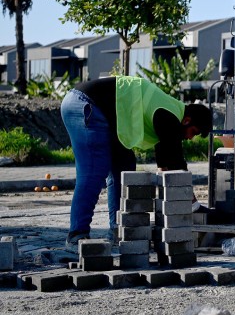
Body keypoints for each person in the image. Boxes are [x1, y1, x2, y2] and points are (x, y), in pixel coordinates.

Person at [61, 76, 212, 251]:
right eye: (193, 132)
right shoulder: (170, 117)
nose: (190, 138)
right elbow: (176, 164)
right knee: (94, 170)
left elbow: (165, 166)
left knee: (124, 167)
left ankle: (119, 229)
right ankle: (76, 235)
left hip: (110, 118)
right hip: (86, 104)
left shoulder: (168, 114)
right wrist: (193, 206)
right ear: (187, 121)